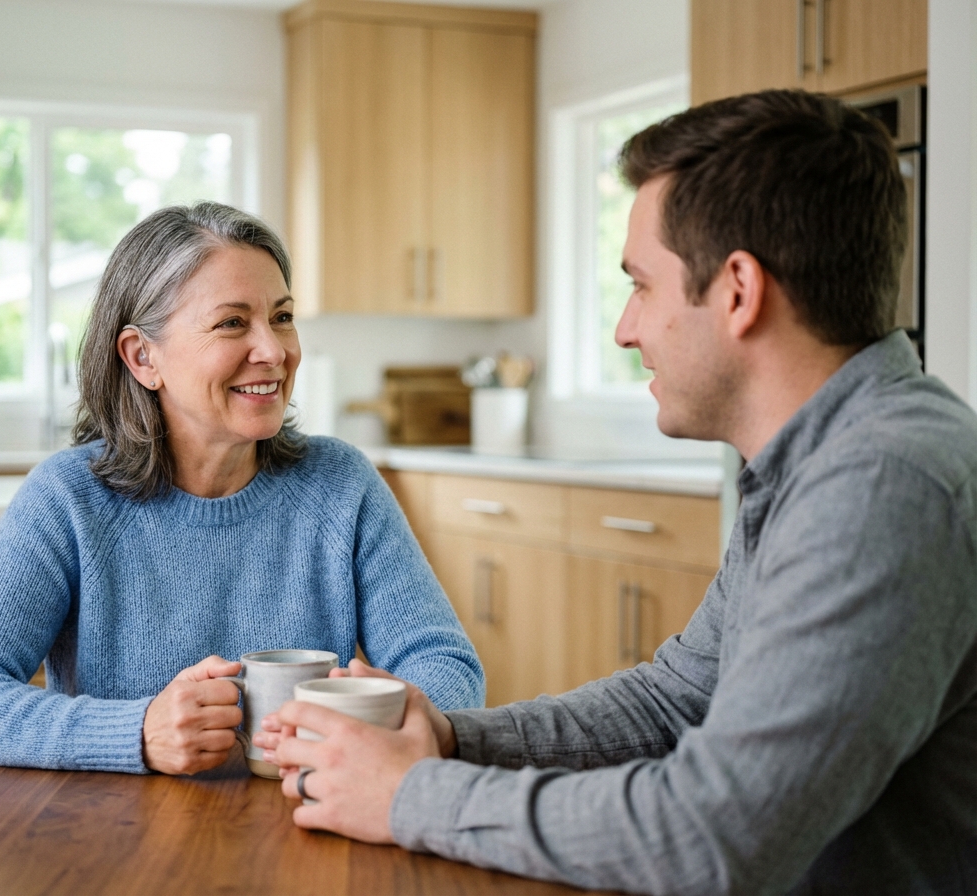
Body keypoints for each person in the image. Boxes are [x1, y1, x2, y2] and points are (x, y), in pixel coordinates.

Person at [256, 90, 977, 894]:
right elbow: (674, 703)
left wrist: (408, 794)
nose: (625, 329)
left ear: (739, 291)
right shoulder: (817, 461)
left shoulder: (884, 485)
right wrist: (455, 740)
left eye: (642, 286)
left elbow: (712, 834)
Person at [0, 202, 484, 776]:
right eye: (232, 323)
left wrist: (376, 713)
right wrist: (135, 733)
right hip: (113, 839)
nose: (275, 351)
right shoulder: (69, 499)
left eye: (281, 317)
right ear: (142, 357)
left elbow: (448, 669)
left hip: (306, 825)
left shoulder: (341, 485)